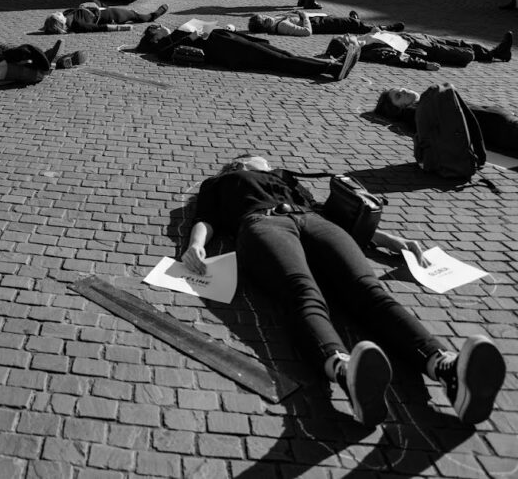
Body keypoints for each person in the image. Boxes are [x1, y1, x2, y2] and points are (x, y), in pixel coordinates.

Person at [180, 154, 506, 427]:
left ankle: (446, 367)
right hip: (262, 225)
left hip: (314, 221)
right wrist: (195, 246)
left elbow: (331, 211)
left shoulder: (285, 178)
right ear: (242, 163)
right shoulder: (221, 183)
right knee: (302, 292)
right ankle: (344, 369)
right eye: (256, 157)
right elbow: (206, 218)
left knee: (368, 290)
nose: (264, 158)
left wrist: (391, 240)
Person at [137, 25, 361, 81]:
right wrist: (193, 35)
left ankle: (332, 65)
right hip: (227, 50)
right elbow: (165, 53)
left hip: (226, 41)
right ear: (154, 36)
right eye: (158, 29)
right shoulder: (160, 46)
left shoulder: (167, 37)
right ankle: (332, 69)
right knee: (280, 60)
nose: (164, 28)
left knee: (281, 54)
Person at [375, 87, 518, 158]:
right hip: (503, 129)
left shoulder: (424, 103)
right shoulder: (416, 112)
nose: (404, 91)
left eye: (401, 88)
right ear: (398, 109)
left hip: (504, 124)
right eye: (398, 96)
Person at [322, 30, 513, 71]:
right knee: (465, 54)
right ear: (349, 47)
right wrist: (424, 64)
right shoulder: (369, 51)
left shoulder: (364, 39)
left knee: (460, 42)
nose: (347, 34)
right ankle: (495, 54)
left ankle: (495, 52)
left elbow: (380, 30)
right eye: (345, 38)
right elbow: (397, 58)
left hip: (416, 36)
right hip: (418, 47)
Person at [247, 10, 404, 37]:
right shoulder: (281, 26)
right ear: (264, 28)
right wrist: (305, 16)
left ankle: (357, 22)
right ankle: (386, 29)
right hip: (319, 25)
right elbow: (306, 32)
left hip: (318, 20)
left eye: (264, 16)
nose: (267, 18)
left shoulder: (276, 20)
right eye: (264, 21)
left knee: (345, 21)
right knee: (350, 24)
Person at [42, 2, 168, 34]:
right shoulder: (78, 24)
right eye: (57, 15)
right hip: (111, 15)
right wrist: (122, 28)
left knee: (133, 13)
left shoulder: (66, 15)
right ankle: (156, 14)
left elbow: (48, 27)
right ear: (60, 22)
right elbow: (99, 28)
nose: (58, 12)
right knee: (136, 16)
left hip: (97, 6)